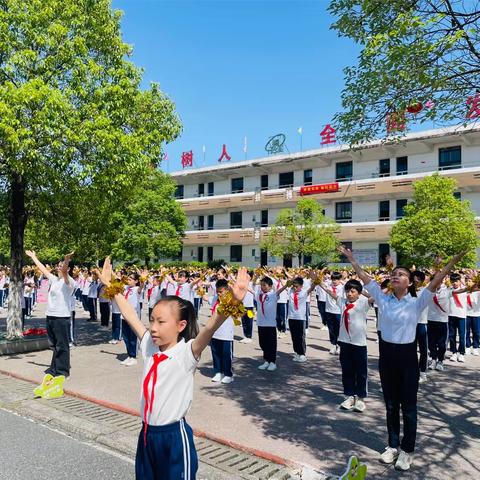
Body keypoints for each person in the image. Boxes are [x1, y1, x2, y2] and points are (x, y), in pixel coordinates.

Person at [97, 257, 248, 480]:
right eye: (152, 320)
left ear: (181, 326)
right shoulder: (149, 344)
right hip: (147, 433)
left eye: (161, 322)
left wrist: (231, 303)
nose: (153, 328)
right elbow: (130, 314)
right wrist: (113, 286)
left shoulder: (187, 353)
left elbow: (208, 329)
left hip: (174, 438)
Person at [340, 245, 465, 471]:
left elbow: (436, 281)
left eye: (401, 275)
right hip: (387, 355)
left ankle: (407, 450)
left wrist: (451, 263)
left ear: (409, 282)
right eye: (394, 274)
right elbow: (364, 278)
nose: (396, 276)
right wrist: (351, 259)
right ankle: (392, 445)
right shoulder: (383, 298)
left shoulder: (417, 301)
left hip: (407, 358)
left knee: (408, 406)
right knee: (390, 405)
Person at [27, 250, 75, 399]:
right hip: (51, 315)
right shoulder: (54, 280)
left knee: (62, 345)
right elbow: (43, 269)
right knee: (54, 345)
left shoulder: (70, 282)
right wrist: (34, 257)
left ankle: (62, 371)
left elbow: (65, 272)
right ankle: (54, 368)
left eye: (62, 266)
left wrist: (66, 260)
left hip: (62, 317)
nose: (59, 268)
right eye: (59, 265)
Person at [322, 278, 373, 412]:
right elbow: (330, 292)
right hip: (345, 343)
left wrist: (365, 294)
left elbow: (376, 297)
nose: (349, 294)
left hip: (359, 344)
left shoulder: (363, 303)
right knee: (347, 371)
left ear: (359, 293)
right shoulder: (343, 302)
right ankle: (349, 396)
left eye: (353, 291)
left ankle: (360, 398)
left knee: (361, 372)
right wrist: (318, 282)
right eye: (347, 291)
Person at [208, 279, 235, 384]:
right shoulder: (215, 298)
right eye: (217, 291)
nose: (219, 294)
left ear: (227, 290)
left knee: (226, 354)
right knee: (216, 353)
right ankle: (218, 372)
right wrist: (200, 289)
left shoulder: (231, 300)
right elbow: (206, 298)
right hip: (215, 332)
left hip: (226, 333)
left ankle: (228, 374)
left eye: (221, 292)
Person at [285, 275, 317, 363]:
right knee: (294, 337)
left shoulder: (304, 292)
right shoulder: (291, 291)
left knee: (300, 337)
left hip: (300, 318)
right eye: (294, 286)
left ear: (301, 286)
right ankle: (296, 352)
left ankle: (302, 354)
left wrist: (315, 279)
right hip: (291, 317)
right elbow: (289, 284)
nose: (295, 288)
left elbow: (312, 288)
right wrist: (292, 279)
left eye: (297, 287)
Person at [254, 276, 279, 371]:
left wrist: (287, 285)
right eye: (261, 285)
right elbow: (250, 289)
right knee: (263, 343)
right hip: (261, 323)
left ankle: (272, 362)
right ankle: (266, 360)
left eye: (264, 285)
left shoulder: (273, 295)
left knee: (271, 343)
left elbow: (280, 290)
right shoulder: (258, 295)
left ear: (270, 286)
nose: (262, 287)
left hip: (270, 324)